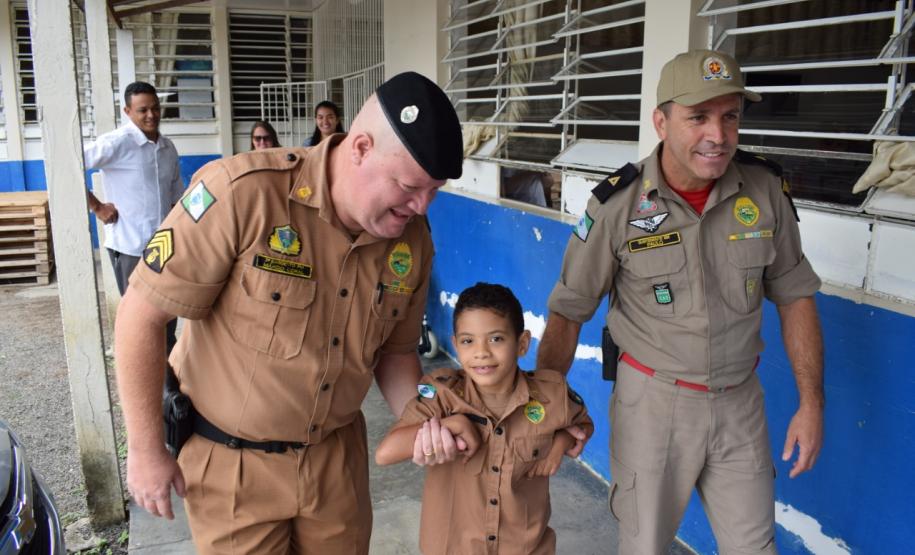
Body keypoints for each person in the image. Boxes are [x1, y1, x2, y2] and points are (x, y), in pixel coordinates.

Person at [113, 71, 463, 554]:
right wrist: (145, 448)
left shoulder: (411, 238)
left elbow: (397, 353)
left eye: (434, 190)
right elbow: (140, 315)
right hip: (233, 468)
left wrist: (424, 420)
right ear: (361, 148)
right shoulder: (243, 194)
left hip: (336, 465)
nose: (421, 205)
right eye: (409, 186)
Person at [537, 49, 824, 554]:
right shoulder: (617, 206)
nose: (718, 134)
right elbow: (569, 309)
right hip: (653, 406)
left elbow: (795, 294)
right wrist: (545, 409)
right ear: (661, 121)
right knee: (644, 545)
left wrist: (811, 403)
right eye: (698, 117)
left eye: (730, 116)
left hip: (740, 404)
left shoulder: (764, 190)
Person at [376, 282, 593, 555]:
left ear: (522, 344)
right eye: (468, 341)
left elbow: (582, 426)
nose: (481, 352)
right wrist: (450, 424)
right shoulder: (440, 394)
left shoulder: (551, 394)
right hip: (453, 548)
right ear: (456, 345)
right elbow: (385, 454)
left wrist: (561, 441)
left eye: (496, 339)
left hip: (525, 548)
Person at [84, 80, 181, 354]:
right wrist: (97, 207)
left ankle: (168, 375)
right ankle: (145, 372)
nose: (151, 115)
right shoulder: (117, 143)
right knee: (141, 320)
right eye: (142, 110)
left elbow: (175, 196)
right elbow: (67, 164)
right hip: (130, 248)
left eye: (155, 108)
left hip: (165, 247)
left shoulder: (167, 148)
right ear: (127, 112)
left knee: (168, 314)